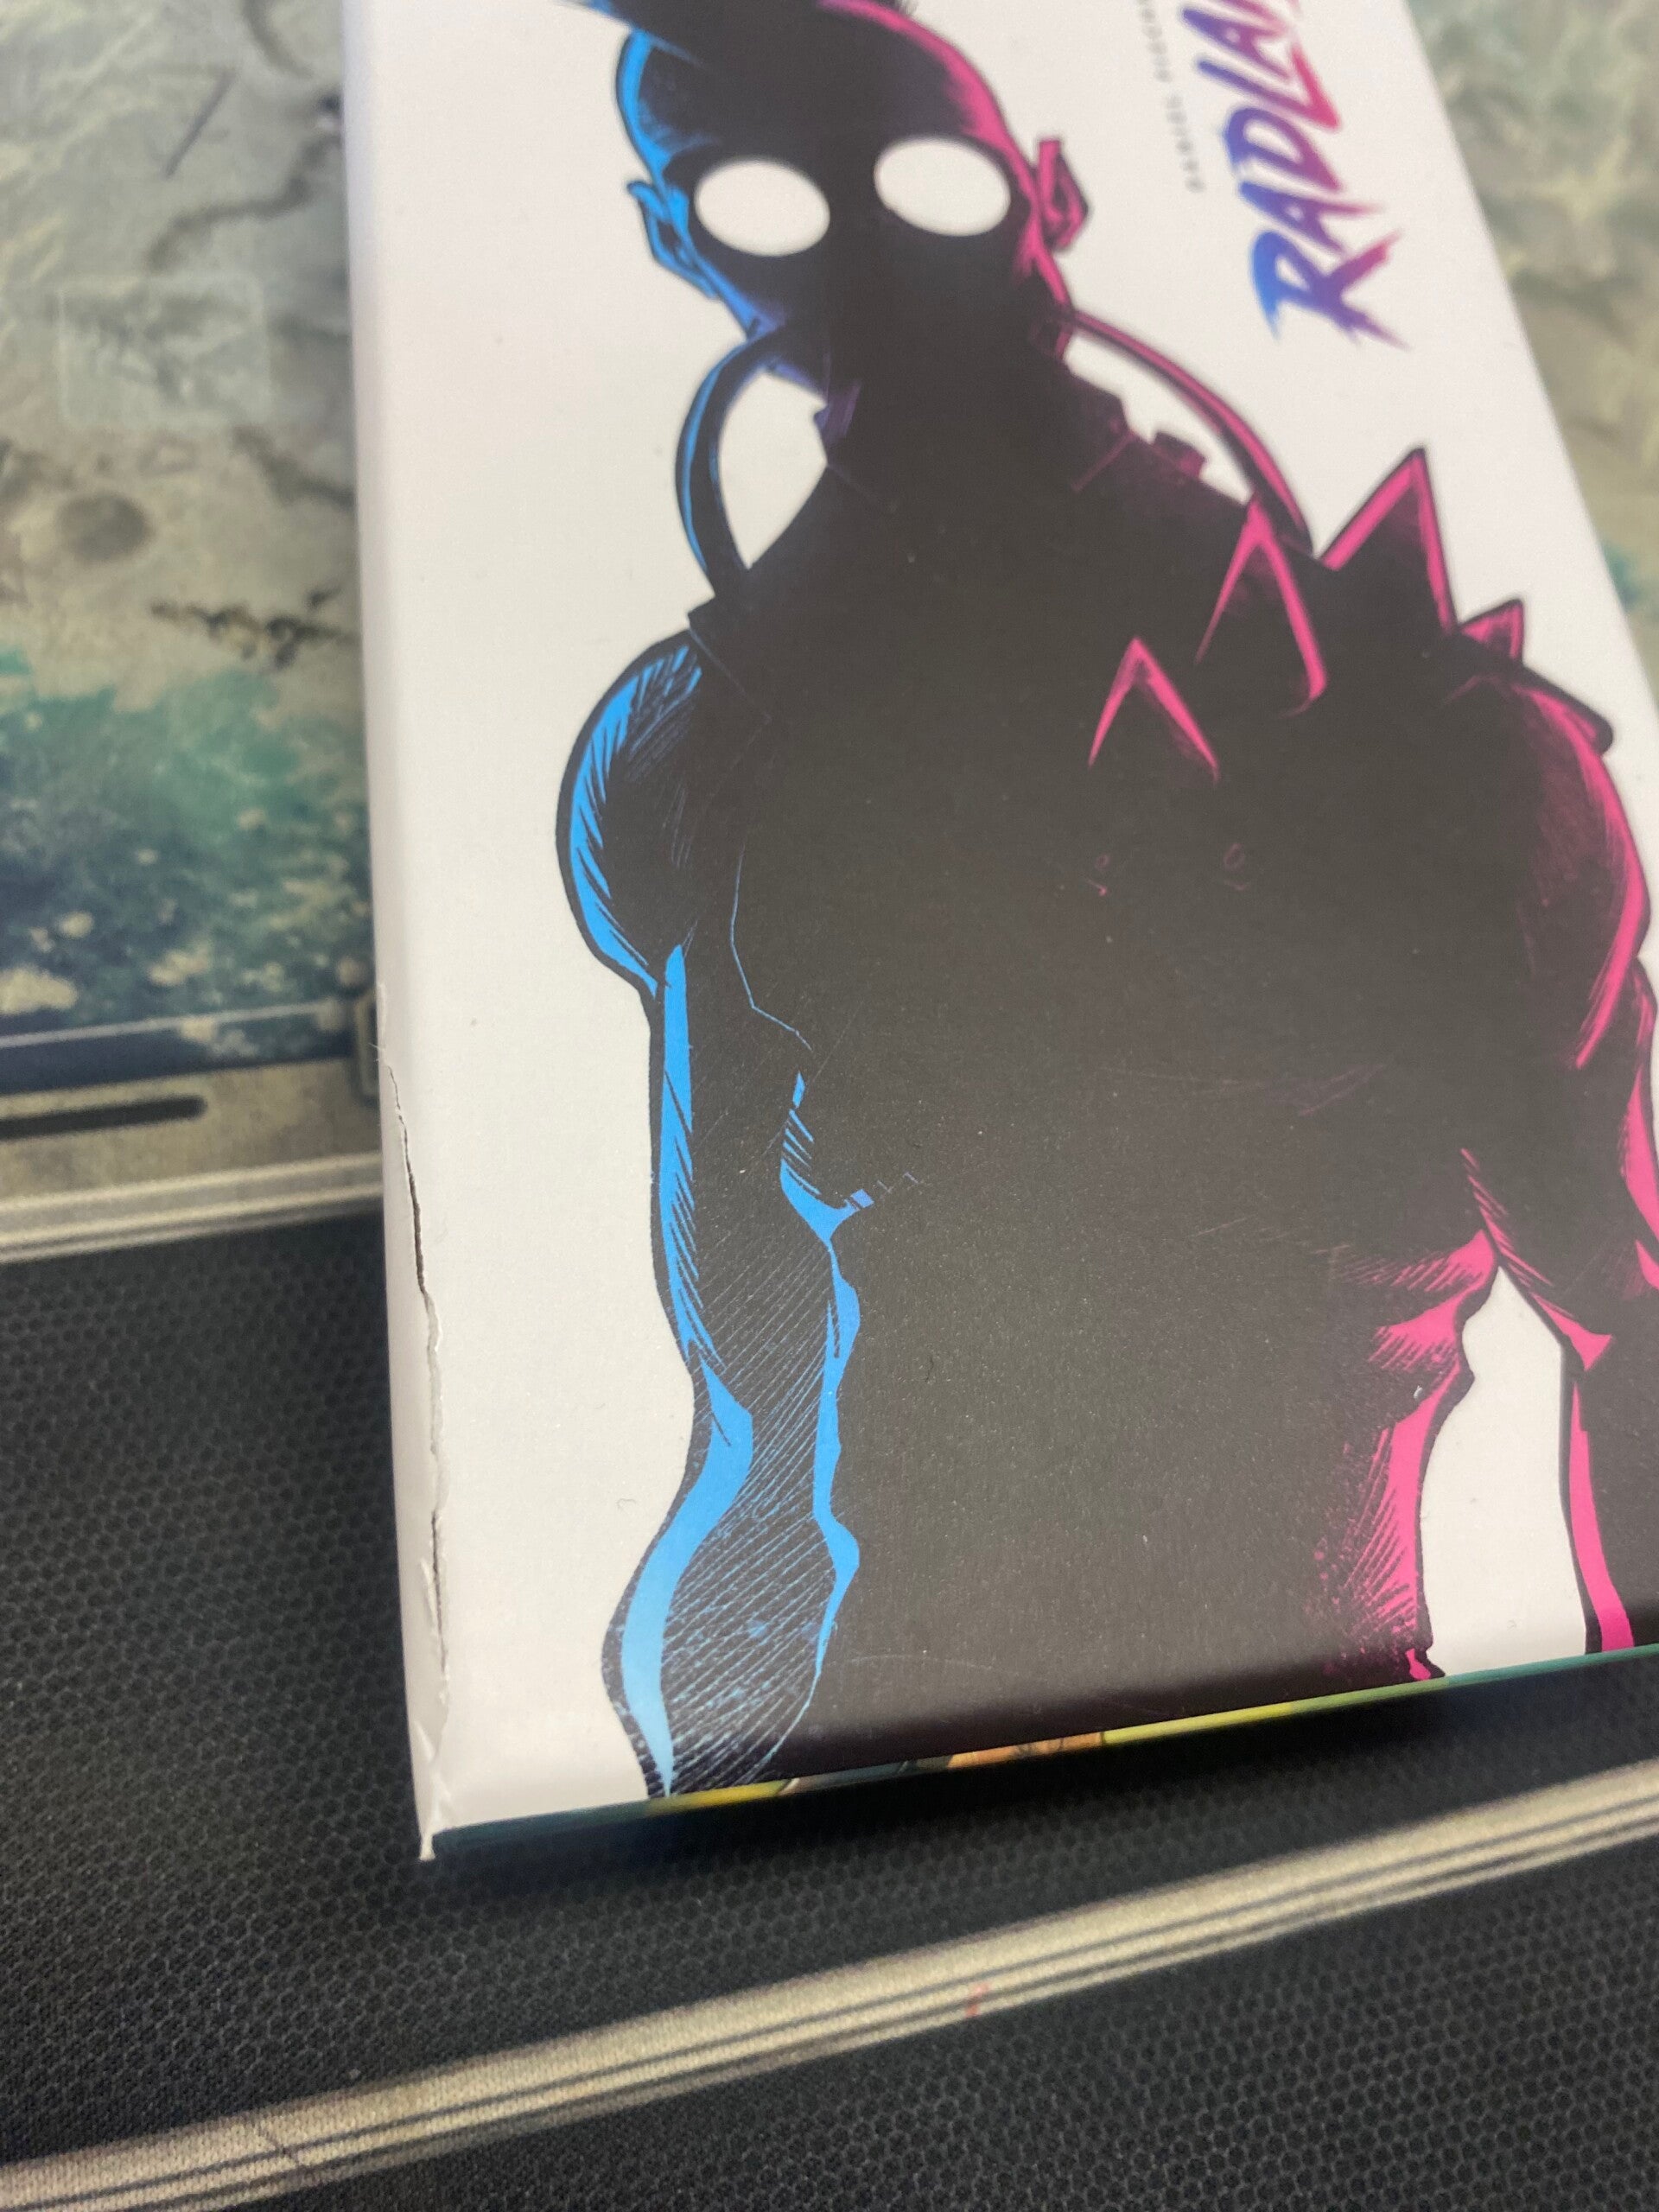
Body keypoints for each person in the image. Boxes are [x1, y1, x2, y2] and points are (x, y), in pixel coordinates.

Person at [560, 0, 1659, 1797]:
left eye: (933, 185)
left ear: (1049, 193)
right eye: (768, 206)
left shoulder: (1458, 760)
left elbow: (1632, 1319)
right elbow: (755, 1385)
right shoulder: (702, 755)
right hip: (857, 1760)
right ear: (681, 245)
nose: (878, 263)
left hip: (1315, 1756)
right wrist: (728, 1791)